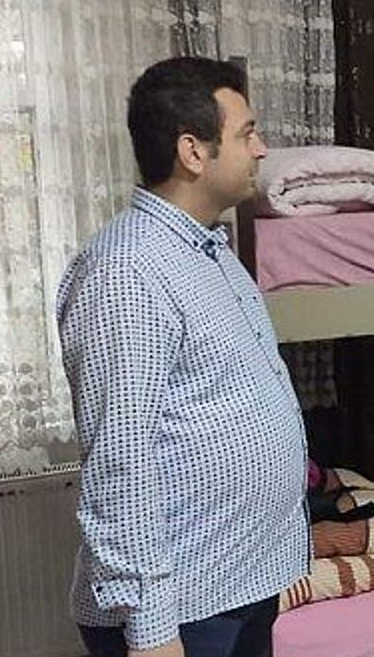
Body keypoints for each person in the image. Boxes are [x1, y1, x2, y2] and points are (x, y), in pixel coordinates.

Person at [57, 57, 308, 657]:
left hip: (236, 585)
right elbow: (120, 462)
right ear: (193, 152)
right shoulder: (126, 271)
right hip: (182, 612)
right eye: (247, 134)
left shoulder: (210, 251)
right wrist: (151, 631)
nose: (261, 149)